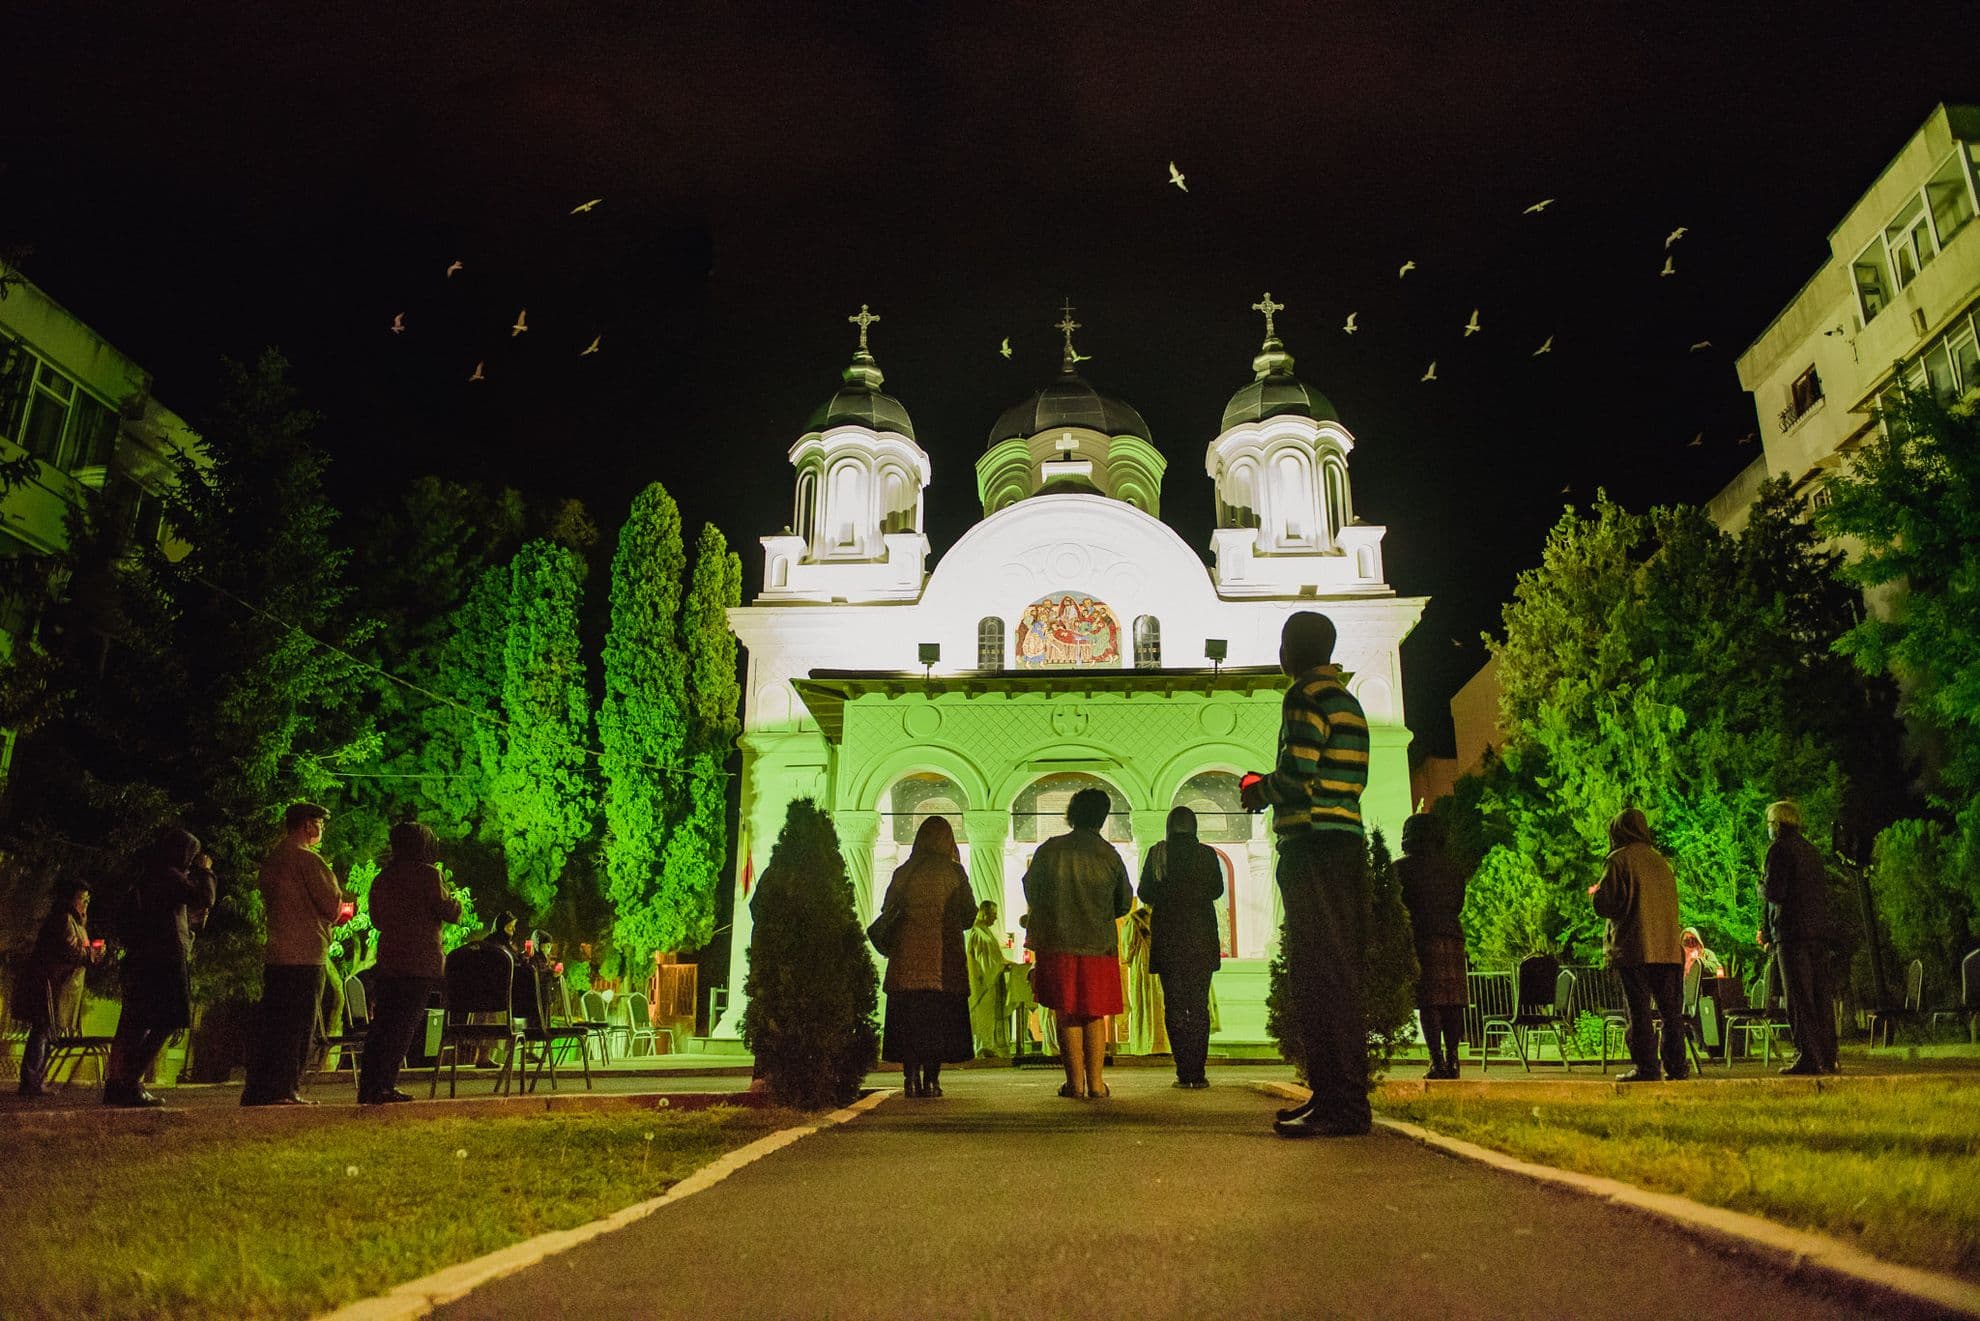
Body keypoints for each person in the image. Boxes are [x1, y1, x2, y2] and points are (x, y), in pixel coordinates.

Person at [1241, 611, 1372, 1137]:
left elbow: (1299, 773)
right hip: (1343, 841)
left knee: (1318, 972)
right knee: (1338, 972)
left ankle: (1338, 1103)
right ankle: (1341, 1097)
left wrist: (1258, 788)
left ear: (1292, 650)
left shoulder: (1303, 697)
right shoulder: (1347, 699)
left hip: (1313, 844)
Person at [1023, 787, 1133, 1100]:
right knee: (1094, 1013)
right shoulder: (1109, 854)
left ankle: (1074, 1083)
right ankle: (1097, 1084)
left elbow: (1031, 889)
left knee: (1067, 1012)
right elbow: (1124, 901)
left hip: (1058, 941)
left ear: (1072, 813)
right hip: (1098, 943)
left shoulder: (1050, 850)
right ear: (1102, 817)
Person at [104, 830, 217, 1107]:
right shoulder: (169, 875)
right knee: (168, 1018)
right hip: (164, 960)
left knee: (136, 1022)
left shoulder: (150, 876)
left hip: (143, 959)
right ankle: (131, 1079)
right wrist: (205, 872)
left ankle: (118, 1084)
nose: (191, 860)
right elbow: (205, 897)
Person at [242, 802, 344, 1106]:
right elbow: (332, 905)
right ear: (308, 826)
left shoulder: (274, 859)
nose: (321, 829)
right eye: (320, 824)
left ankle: (260, 1088)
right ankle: (285, 1088)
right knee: (299, 1026)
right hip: (305, 953)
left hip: (277, 952)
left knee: (274, 1025)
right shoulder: (308, 860)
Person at [874, 816, 976, 1097]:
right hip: (943, 965)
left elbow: (887, 909)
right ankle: (932, 1080)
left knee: (910, 1025)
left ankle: (910, 1078)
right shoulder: (955, 873)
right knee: (936, 1025)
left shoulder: (903, 872)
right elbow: (969, 914)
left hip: (906, 965)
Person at [361, 821, 461, 1104]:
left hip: (389, 959)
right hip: (419, 961)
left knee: (382, 1023)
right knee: (404, 1025)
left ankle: (370, 1085)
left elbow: (377, 920)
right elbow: (450, 912)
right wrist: (453, 900)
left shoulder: (383, 878)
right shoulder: (429, 875)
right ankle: (384, 1085)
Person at [1590, 807, 1687, 1083]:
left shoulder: (1618, 861)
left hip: (1635, 946)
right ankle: (1677, 1066)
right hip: (1668, 948)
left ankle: (1647, 1067)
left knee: (1640, 1010)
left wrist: (1595, 894)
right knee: (1671, 1012)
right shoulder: (1660, 862)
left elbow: (1607, 903)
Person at [1138, 805, 1222, 1089]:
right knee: (1198, 1005)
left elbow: (1144, 892)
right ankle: (1198, 1072)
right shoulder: (1207, 855)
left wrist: (1168, 892)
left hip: (1169, 937)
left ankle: (1182, 1070)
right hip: (1201, 938)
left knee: (1174, 1004)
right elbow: (1217, 890)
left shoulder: (1158, 853)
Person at [1762, 800, 1838, 1075]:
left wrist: (1762, 885)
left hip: (1792, 933)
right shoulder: (1811, 851)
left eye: (1769, 824)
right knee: (1821, 996)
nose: (1768, 829)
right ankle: (1828, 1056)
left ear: (1778, 824)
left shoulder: (1778, 850)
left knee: (1798, 997)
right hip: (1818, 932)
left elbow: (1775, 893)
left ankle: (1807, 1055)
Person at [13, 880, 104, 1096]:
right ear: (70, 898)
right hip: (51, 985)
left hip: (59, 986)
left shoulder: (76, 922)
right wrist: (91, 954)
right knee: (43, 1030)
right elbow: (70, 951)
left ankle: (35, 1081)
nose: (85, 903)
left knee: (46, 1031)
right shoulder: (64, 919)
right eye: (82, 898)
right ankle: (31, 1082)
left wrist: (93, 953)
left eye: (87, 899)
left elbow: (78, 951)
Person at [1395, 813, 1468, 1080]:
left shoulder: (1401, 869)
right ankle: (1453, 1060)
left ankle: (1437, 1061)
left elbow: (1398, 905)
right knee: (1452, 1003)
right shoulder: (1453, 869)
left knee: (1429, 1003)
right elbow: (1459, 903)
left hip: (1422, 935)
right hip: (1452, 935)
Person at [1120, 900, 1168, 1058]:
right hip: (1165, 966)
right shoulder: (1169, 915)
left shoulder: (1136, 919)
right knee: (1164, 1004)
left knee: (1145, 1004)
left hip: (1143, 966)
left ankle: (1145, 1043)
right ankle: (1166, 1044)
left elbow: (1128, 949)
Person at [965, 900, 1011, 1058]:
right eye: (993, 914)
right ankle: (985, 1046)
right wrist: (1001, 964)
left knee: (989, 1014)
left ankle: (989, 1045)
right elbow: (987, 959)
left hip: (989, 979)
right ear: (984, 912)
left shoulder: (984, 930)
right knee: (984, 1014)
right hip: (983, 981)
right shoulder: (979, 932)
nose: (996, 918)